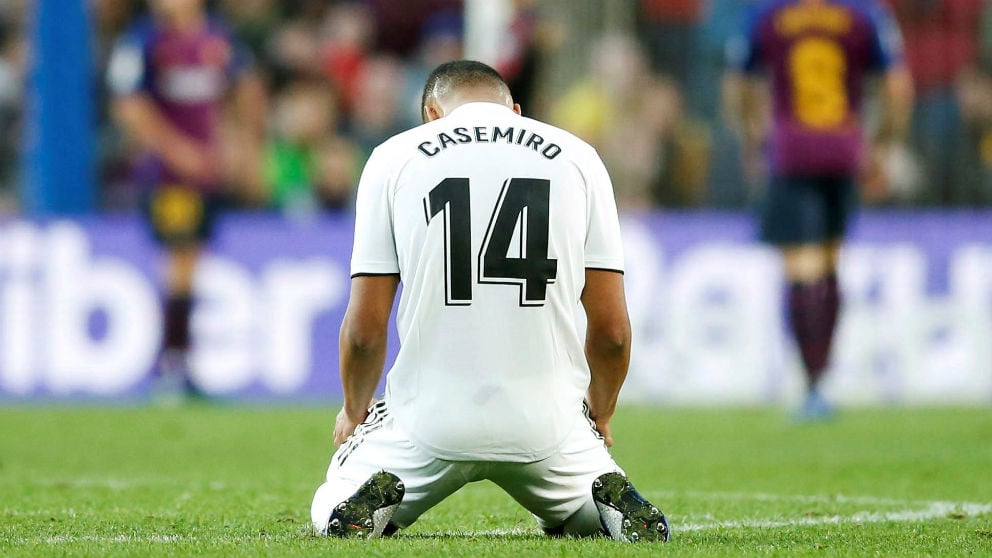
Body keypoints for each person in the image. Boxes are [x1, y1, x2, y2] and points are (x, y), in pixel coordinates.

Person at [309, 60, 670, 542]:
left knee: (332, 497)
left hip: (428, 419)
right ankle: (598, 496)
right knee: (583, 507)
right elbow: (612, 331)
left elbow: (364, 329)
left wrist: (354, 411)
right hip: (546, 420)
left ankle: (369, 498)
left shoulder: (394, 158)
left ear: (432, 113)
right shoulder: (579, 159)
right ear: (514, 111)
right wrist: (599, 412)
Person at [725, 0, 914, 419]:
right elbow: (898, 88)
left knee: (802, 266)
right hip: (844, 149)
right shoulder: (864, 12)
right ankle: (822, 381)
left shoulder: (766, 12)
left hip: (792, 151)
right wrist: (883, 145)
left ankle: (812, 386)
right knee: (829, 263)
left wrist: (751, 136)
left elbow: (738, 82)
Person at [107, 0, 265, 398]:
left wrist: (243, 146)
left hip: (208, 175)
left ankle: (178, 364)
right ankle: (173, 367)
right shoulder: (144, 40)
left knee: (191, 263)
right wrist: (177, 151)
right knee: (180, 261)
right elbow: (129, 106)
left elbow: (246, 88)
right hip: (168, 178)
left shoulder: (218, 38)